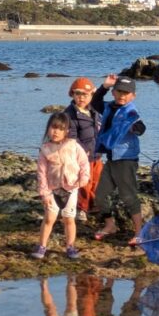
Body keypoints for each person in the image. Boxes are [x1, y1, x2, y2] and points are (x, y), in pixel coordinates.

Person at [90, 75, 146, 245]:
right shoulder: (109, 107)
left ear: (133, 96)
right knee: (100, 195)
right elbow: (95, 102)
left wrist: (134, 128)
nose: (122, 95)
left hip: (126, 160)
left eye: (126, 93)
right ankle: (110, 225)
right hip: (111, 159)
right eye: (119, 91)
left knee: (128, 197)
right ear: (114, 92)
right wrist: (105, 86)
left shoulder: (131, 112)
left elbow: (141, 127)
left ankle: (139, 232)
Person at [32, 111, 91, 260]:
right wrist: (44, 193)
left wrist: (83, 179)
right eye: (53, 128)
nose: (56, 132)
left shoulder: (74, 146)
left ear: (67, 131)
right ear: (48, 128)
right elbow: (41, 172)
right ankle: (42, 245)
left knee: (69, 219)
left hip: (71, 188)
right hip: (52, 189)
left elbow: (84, 163)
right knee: (49, 219)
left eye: (60, 129)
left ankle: (70, 246)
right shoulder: (45, 149)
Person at [64, 76, 102, 222]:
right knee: (84, 183)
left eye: (85, 94)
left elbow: (100, 129)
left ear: (91, 95)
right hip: (82, 156)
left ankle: (94, 206)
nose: (81, 97)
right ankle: (82, 208)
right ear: (72, 94)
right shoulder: (70, 114)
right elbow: (71, 137)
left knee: (97, 181)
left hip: (97, 153)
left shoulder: (94, 111)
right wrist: (80, 151)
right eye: (78, 94)